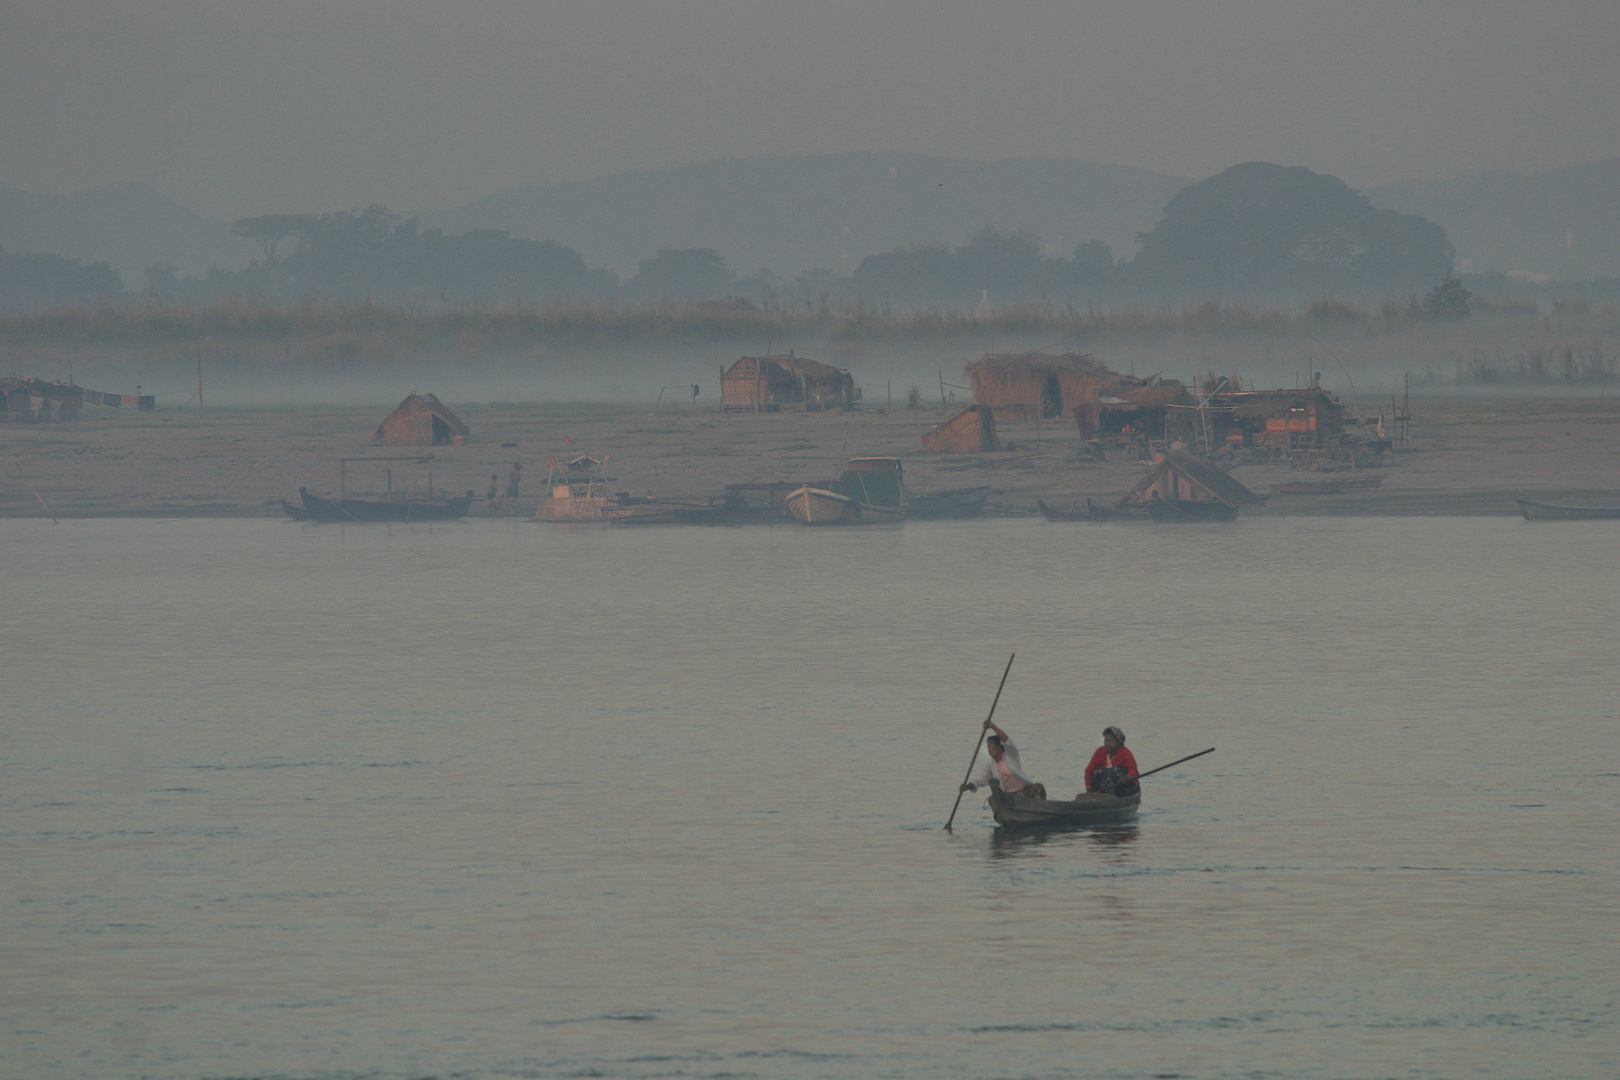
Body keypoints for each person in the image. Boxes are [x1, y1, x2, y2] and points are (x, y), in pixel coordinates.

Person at [961, 719, 1047, 800]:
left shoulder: (1011, 756)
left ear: (999, 745)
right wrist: (968, 786)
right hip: (1009, 797)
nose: (989, 750)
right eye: (987, 747)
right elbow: (980, 780)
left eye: (990, 746)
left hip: (1025, 791)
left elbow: (1008, 741)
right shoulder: (991, 765)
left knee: (1039, 787)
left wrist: (993, 726)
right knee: (992, 799)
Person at [1084, 726, 1139, 794]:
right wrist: (1088, 788)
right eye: (1106, 740)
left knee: (1113, 771)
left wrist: (1127, 777)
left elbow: (1133, 771)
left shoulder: (1125, 754)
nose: (1107, 743)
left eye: (1111, 741)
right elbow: (1088, 770)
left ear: (1118, 742)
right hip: (1104, 788)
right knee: (1097, 773)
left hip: (1123, 788)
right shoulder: (1100, 751)